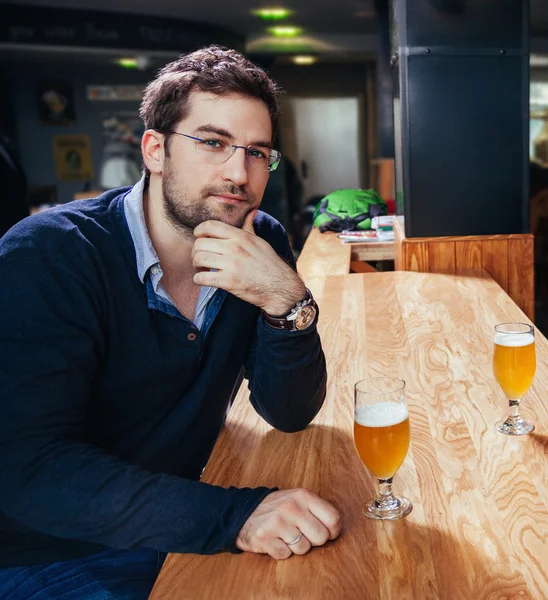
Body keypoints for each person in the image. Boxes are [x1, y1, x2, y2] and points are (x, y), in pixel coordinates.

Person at [0, 46, 341, 599]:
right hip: (52, 551)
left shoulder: (261, 241)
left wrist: (286, 299)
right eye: (213, 143)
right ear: (154, 150)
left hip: (180, 517)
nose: (239, 173)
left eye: (258, 152)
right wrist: (235, 516)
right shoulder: (49, 254)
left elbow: (289, 411)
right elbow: (28, 469)